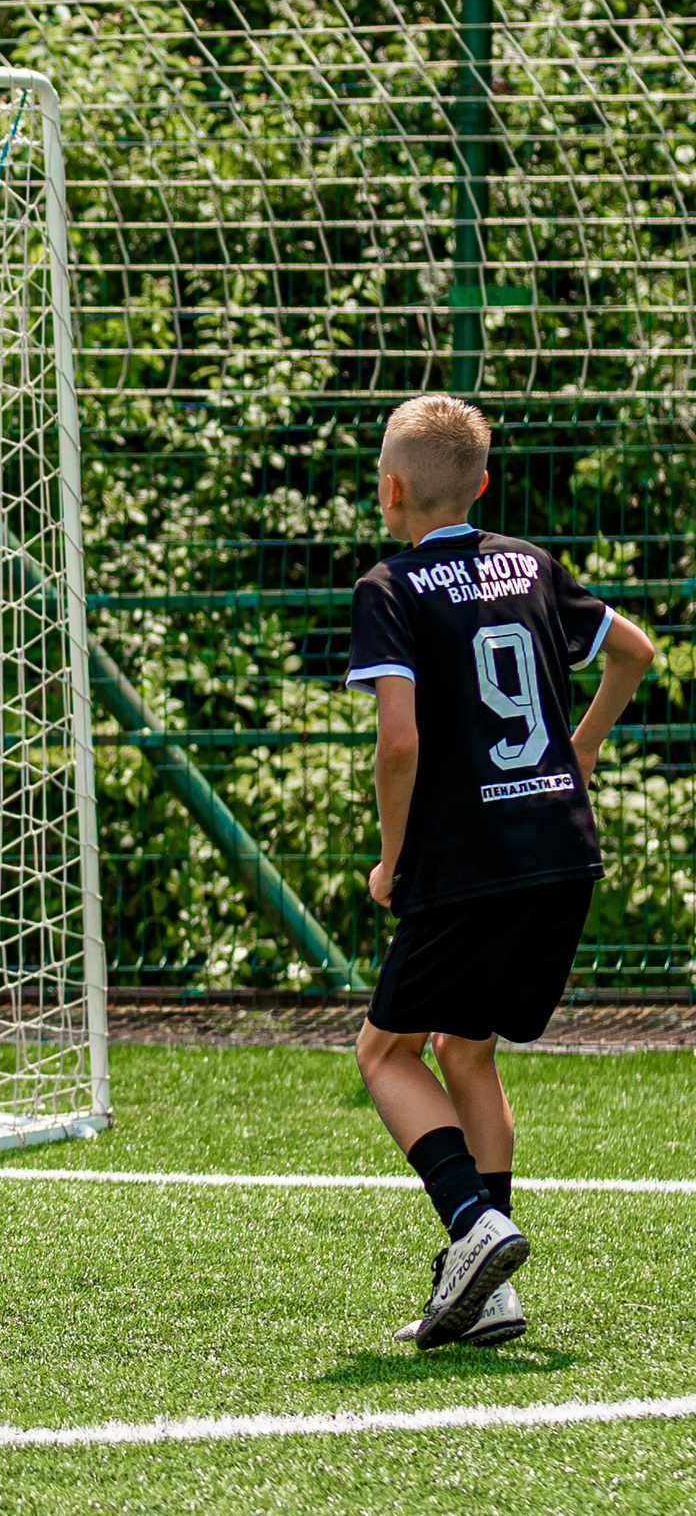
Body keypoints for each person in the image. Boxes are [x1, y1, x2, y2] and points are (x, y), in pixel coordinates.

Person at [346, 394, 653, 1349]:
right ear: (482, 484)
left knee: (385, 1053)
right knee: (465, 1048)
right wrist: (581, 749)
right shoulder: (531, 564)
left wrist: (393, 861)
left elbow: (399, 743)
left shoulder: (389, 588)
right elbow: (634, 653)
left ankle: (473, 1223)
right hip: (563, 848)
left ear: (391, 488)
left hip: (467, 860)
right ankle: (492, 1293)